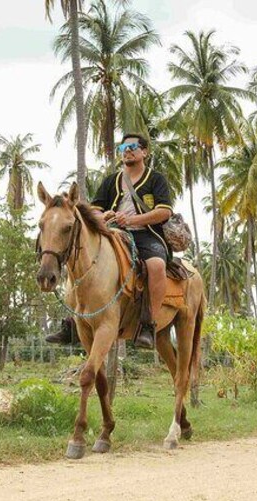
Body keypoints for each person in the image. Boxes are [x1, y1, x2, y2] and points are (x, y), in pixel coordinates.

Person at [45, 133, 174, 349]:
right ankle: (71, 322)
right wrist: (102, 216)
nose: (127, 151)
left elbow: (164, 211)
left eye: (133, 147)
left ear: (144, 152)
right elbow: (93, 210)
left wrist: (133, 219)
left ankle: (148, 324)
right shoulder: (111, 180)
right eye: (123, 148)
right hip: (112, 231)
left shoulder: (156, 179)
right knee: (80, 257)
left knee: (157, 265)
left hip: (146, 234)